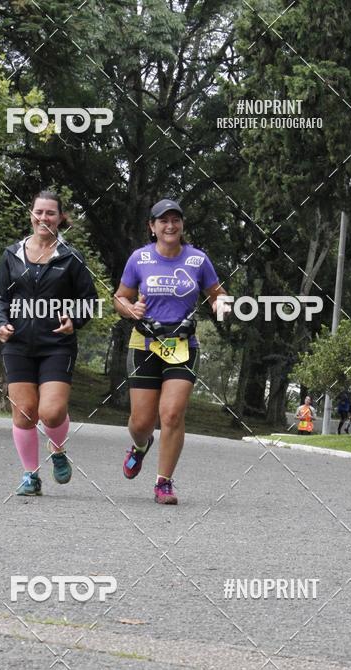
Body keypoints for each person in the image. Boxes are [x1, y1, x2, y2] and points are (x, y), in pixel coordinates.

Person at [113, 198, 227, 505]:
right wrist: (130, 308)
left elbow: (217, 293)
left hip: (182, 344)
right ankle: (140, 446)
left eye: (175, 220)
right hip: (145, 343)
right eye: (163, 220)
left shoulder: (197, 260)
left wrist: (220, 304)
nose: (170, 225)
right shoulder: (139, 259)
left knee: (172, 414)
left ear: (182, 225)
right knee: (141, 423)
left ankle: (163, 482)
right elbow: (120, 298)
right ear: (152, 227)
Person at [0, 190, 97, 496]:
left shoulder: (72, 257)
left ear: (61, 218)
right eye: (39, 212)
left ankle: (58, 449)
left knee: (50, 413)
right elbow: (0, 296)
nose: (44, 218)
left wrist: (73, 320)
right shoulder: (12, 254)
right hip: (18, 343)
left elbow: (89, 301)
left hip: (56, 344)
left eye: (51, 213)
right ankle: (30, 475)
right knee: (24, 412)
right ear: (31, 214)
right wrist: (1, 324)